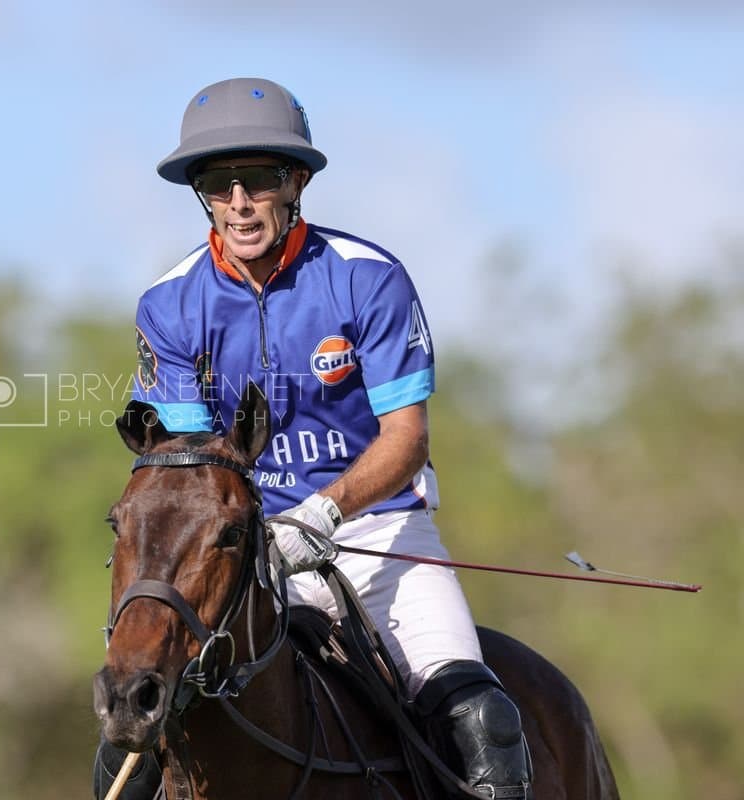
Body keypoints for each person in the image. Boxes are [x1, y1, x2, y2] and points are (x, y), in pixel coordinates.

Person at [93, 78, 532, 800]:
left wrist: (325, 511)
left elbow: (406, 438)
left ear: (295, 182)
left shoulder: (368, 279)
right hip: (239, 555)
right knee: (128, 736)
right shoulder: (170, 304)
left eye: (258, 180)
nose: (239, 202)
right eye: (218, 183)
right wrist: (249, 533)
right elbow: (186, 467)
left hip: (382, 538)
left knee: (485, 725)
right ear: (201, 193)